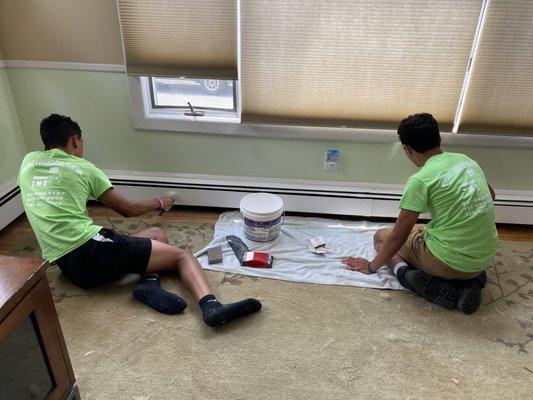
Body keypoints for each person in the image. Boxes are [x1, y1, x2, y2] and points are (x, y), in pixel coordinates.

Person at [18, 114, 261, 326]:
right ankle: (211, 307)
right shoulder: (84, 168)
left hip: (67, 266)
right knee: (181, 256)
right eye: (81, 142)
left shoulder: (28, 162)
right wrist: (159, 202)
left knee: (157, 235)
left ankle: (149, 284)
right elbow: (127, 209)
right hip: (90, 250)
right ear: (74, 140)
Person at [341, 113, 497, 314]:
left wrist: (371, 266)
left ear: (407, 149)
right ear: (439, 139)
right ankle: (469, 282)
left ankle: (407, 276)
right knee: (423, 231)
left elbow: (398, 236)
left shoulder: (421, 180)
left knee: (381, 238)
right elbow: (491, 195)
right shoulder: (467, 161)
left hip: (447, 262)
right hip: (484, 257)